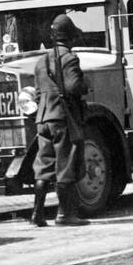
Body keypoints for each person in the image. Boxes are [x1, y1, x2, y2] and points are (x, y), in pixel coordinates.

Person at [31, 14, 91, 227]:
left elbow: (38, 94)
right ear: (70, 37)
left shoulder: (41, 61)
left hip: (43, 118)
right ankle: (65, 215)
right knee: (66, 163)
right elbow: (74, 87)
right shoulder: (70, 59)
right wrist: (86, 85)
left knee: (43, 165)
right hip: (62, 118)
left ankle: (37, 215)